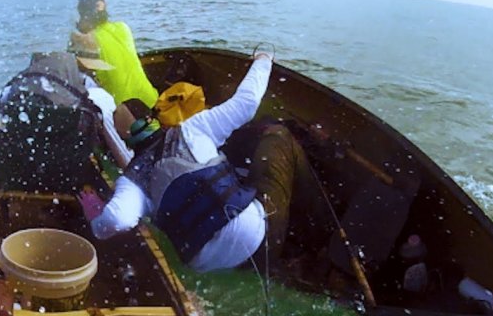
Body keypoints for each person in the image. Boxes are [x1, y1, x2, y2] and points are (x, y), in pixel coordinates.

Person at [79, 52, 322, 273]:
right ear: (155, 118)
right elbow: (247, 104)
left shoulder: (132, 179)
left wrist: (95, 216)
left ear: (125, 139)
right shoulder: (191, 129)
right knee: (279, 137)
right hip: (262, 239)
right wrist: (263, 60)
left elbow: (115, 221)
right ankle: (319, 233)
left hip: (229, 268)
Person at [0, 32, 133, 189]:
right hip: (70, 180)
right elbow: (122, 155)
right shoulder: (96, 98)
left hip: (17, 177)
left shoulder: (12, 92)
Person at [76, 0, 158, 109]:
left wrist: (82, 30)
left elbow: (77, 71)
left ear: (84, 16)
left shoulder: (87, 40)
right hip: (150, 100)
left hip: (123, 111)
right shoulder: (124, 27)